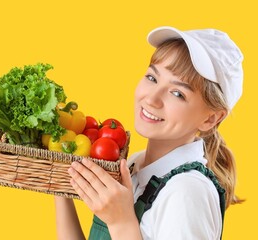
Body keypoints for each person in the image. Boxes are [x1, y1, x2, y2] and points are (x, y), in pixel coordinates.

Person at [55, 26, 244, 240]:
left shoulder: (187, 192)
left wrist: (121, 223)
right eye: (153, 78)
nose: (152, 99)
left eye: (177, 93)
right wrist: (61, 187)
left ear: (211, 118)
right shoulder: (136, 164)